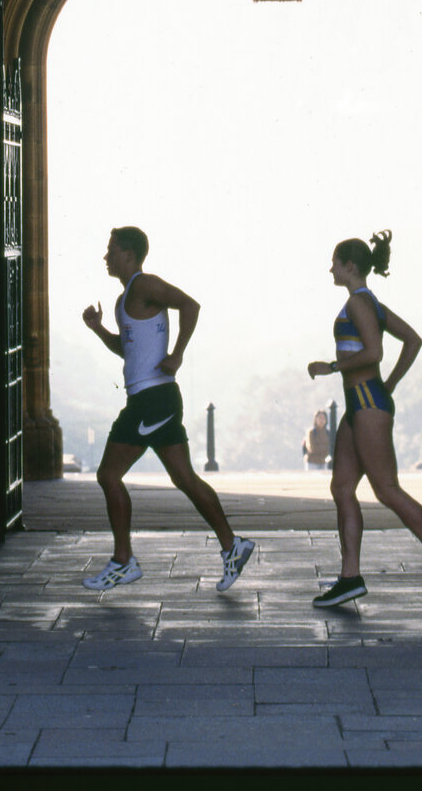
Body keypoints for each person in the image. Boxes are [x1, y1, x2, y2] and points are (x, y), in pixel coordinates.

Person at [81, 226, 255, 594]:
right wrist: (98, 329)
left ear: (129, 254)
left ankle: (123, 561)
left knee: (109, 475)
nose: (105, 256)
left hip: (152, 399)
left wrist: (178, 354)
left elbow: (190, 305)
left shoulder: (145, 285)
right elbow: (127, 349)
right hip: (151, 399)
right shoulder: (123, 299)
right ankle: (232, 545)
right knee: (184, 479)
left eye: (111, 249)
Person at [306, 229, 422, 607]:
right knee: (342, 488)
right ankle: (350, 577)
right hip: (362, 403)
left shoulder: (360, 303)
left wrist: (332, 366)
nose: (330, 269)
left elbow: (374, 352)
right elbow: (412, 340)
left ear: (349, 266)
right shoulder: (369, 302)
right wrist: (389, 385)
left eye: (334, 263)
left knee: (386, 490)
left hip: (367, 405)